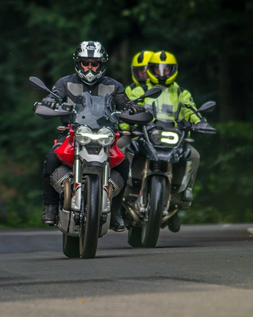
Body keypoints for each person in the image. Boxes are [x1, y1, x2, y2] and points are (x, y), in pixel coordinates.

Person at [39, 41, 142, 231]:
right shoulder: (65, 83)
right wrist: (49, 101)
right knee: (51, 157)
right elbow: (54, 96)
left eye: (94, 63)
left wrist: (133, 108)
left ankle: (115, 212)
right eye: (85, 63)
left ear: (102, 64)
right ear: (78, 63)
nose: (89, 67)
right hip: (72, 134)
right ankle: (50, 207)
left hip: (104, 137)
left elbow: (125, 104)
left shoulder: (114, 86)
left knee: (123, 163)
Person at [137, 50, 204, 211]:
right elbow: (132, 108)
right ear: (150, 69)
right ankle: (122, 185)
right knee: (126, 148)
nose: (161, 73)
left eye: (166, 69)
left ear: (173, 70)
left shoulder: (181, 92)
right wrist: (127, 123)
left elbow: (190, 109)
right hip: (147, 135)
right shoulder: (141, 90)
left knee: (194, 155)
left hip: (175, 137)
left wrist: (200, 122)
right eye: (157, 69)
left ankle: (185, 190)